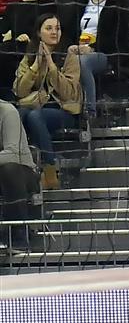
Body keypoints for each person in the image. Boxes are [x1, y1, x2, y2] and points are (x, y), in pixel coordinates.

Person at [15, 13, 80, 190]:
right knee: (18, 115)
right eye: (49, 28)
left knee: (35, 116)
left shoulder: (70, 57)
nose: (54, 32)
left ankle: (50, 171)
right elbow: (19, 91)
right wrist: (36, 65)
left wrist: (51, 66)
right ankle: (20, 168)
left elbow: (69, 93)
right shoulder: (29, 56)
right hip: (36, 106)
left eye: (57, 28)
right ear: (39, 32)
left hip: (64, 110)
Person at [66, 0, 129, 121]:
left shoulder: (117, 3)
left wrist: (92, 47)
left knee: (82, 62)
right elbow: (69, 30)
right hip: (80, 50)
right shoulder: (81, 2)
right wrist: (72, 46)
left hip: (107, 53)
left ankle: (90, 111)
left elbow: (118, 36)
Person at [0, 100, 38, 252]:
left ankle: (19, 235)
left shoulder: (7, 112)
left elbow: (12, 154)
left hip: (23, 172)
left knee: (9, 170)